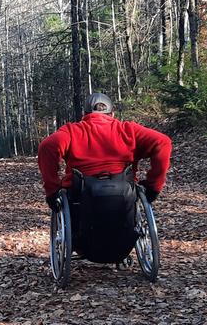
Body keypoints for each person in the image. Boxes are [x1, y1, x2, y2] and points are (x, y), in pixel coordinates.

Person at [37, 92, 172, 263]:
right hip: (123, 194)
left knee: (73, 198)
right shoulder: (128, 130)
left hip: (82, 197)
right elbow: (163, 142)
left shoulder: (72, 131)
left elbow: (46, 147)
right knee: (129, 194)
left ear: (84, 115)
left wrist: (52, 190)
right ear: (112, 114)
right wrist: (154, 185)